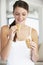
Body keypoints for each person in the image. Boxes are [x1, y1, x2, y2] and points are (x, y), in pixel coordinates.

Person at [1, 0, 39, 65]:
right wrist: (10, 38)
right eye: (17, 14)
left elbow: (35, 59)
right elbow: (4, 57)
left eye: (23, 14)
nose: (20, 17)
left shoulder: (33, 32)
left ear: (27, 14)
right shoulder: (5, 29)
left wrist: (34, 51)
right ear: (13, 13)